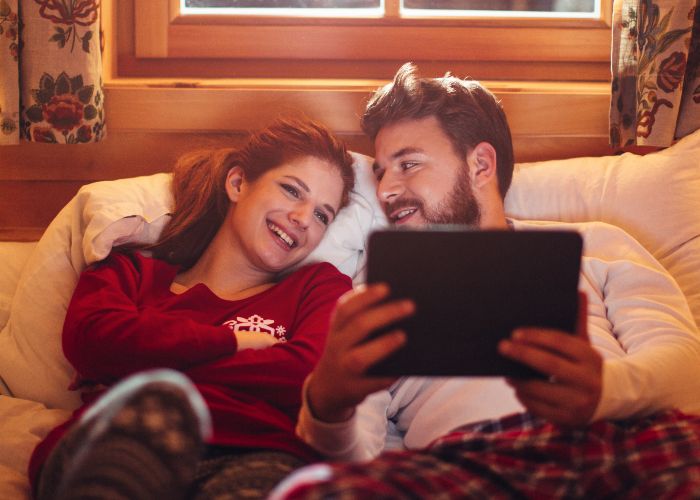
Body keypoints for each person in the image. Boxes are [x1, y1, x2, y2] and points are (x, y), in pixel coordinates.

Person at [272, 64, 700, 497]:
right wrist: (326, 407)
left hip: (619, 442)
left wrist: (606, 391)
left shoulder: (597, 245)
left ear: (480, 165)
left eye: (408, 164)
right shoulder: (372, 299)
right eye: (381, 172)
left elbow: (687, 368)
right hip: (471, 465)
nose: (385, 190)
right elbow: (354, 459)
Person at [28, 117, 357, 500]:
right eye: (291, 190)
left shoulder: (318, 287)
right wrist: (235, 343)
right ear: (237, 184)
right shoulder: (129, 271)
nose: (303, 219)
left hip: (255, 450)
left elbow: (309, 374)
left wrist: (137, 357)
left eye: (322, 215)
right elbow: (90, 341)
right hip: (124, 436)